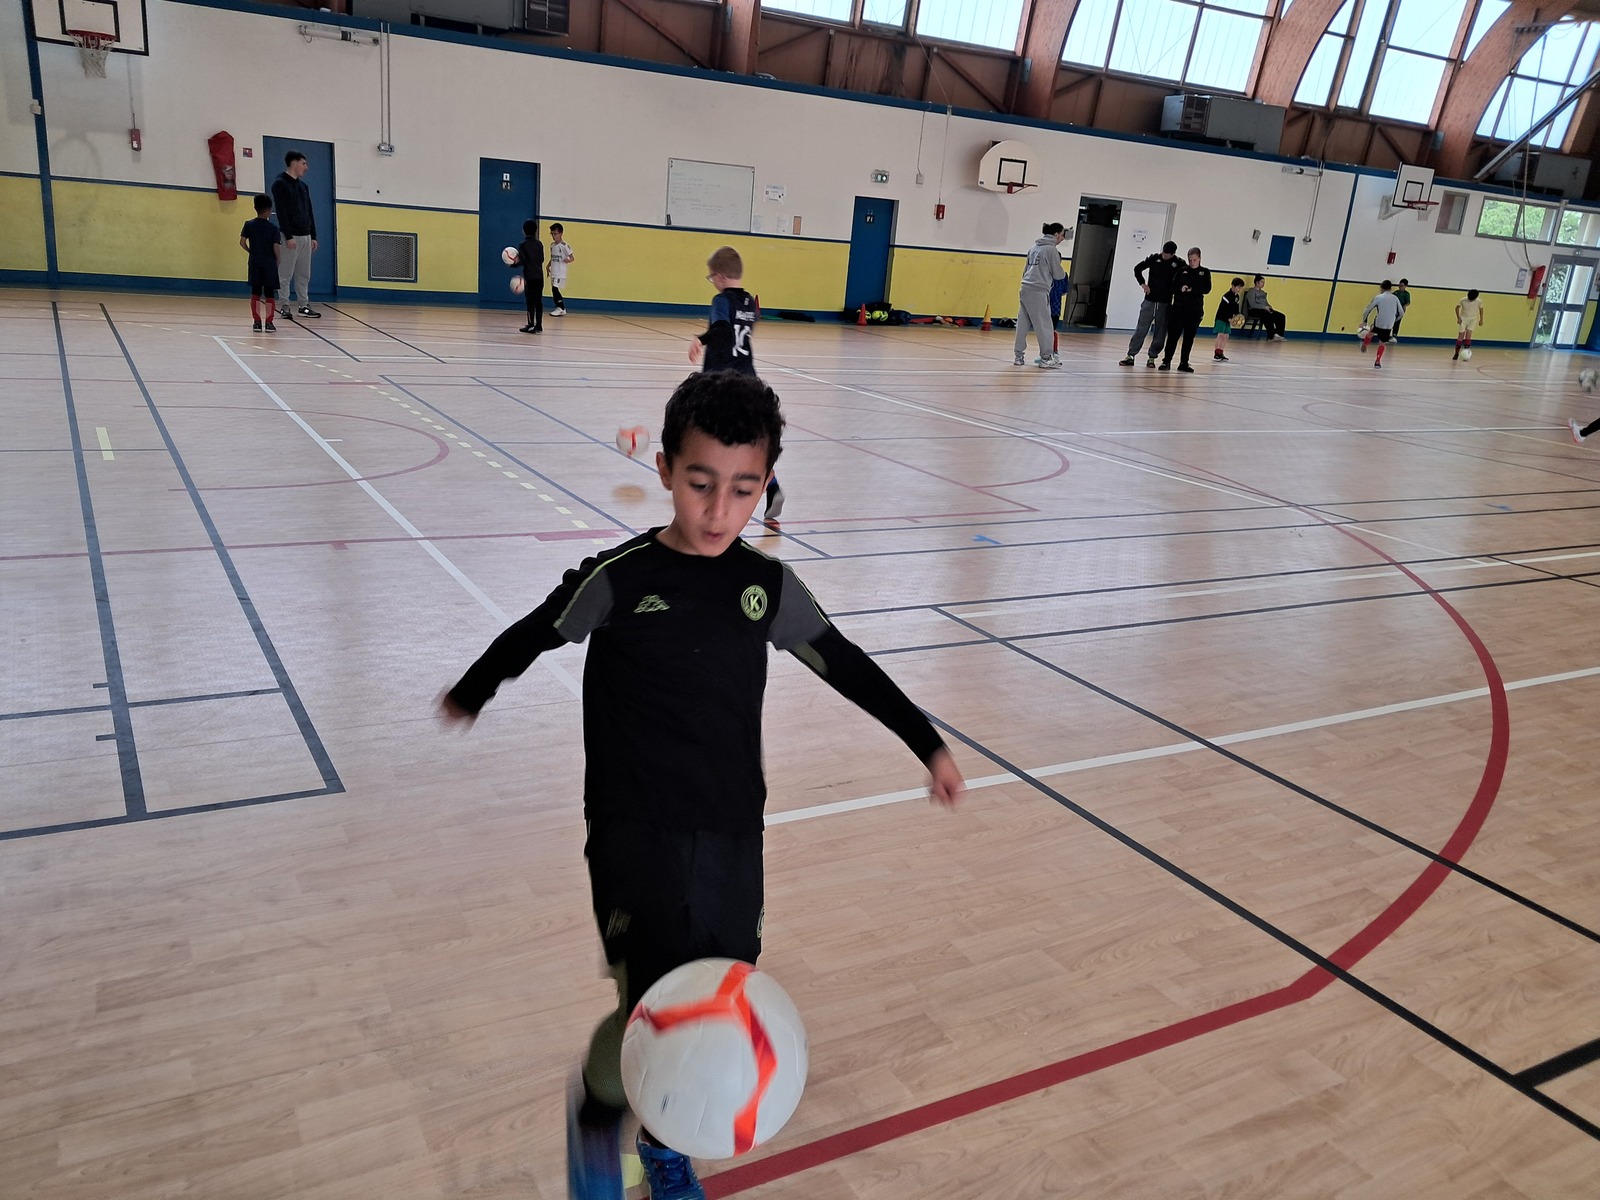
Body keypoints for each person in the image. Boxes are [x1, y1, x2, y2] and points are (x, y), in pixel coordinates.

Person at [438, 370, 965, 1200]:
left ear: (765, 485)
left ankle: (665, 1143)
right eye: (700, 484)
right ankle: (598, 1110)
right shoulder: (620, 578)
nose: (719, 511)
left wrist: (926, 743)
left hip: (730, 830)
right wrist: (473, 690)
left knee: (721, 993)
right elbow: (537, 631)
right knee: (651, 1005)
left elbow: (844, 663)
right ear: (665, 470)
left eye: (743, 490)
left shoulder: (765, 589)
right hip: (633, 829)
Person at [689, 246, 781, 521]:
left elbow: (722, 330)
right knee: (748, 438)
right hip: (748, 379)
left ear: (719, 276)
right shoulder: (749, 302)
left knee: (708, 432)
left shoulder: (721, 301)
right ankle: (772, 486)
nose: (712, 282)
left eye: (711, 278)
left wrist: (700, 339)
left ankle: (705, 484)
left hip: (721, 382)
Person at [269, 150, 319, 319]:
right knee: (285, 273)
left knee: (304, 274)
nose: (306, 167)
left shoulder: (303, 187)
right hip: (290, 236)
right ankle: (284, 305)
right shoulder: (280, 184)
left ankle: (303, 305)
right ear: (294, 163)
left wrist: (313, 236)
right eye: (304, 163)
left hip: (306, 236)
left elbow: (309, 212)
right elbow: (282, 212)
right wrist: (288, 236)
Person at [1014, 222, 1066, 368]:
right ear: (1056, 234)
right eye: (1062, 235)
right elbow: (1058, 274)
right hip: (1038, 290)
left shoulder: (1033, 248)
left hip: (1025, 288)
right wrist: (1062, 272)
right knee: (1045, 325)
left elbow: (1025, 270)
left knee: (1023, 323)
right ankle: (1046, 358)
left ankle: (1018, 356)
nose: (1063, 238)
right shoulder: (1051, 250)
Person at [1120, 240, 1179, 367]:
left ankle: (1152, 357)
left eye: (1167, 255)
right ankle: (1131, 355)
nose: (1164, 256)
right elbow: (1137, 269)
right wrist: (1143, 284)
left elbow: (1184, 277)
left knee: (1160, 332)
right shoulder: (1154, 258)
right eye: (1163, 253)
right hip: (1150, 300)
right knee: (1141, 328)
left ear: (1173, 254)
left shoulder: (1178, 263)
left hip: (1165, 303)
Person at [1159, 247, 1211, 373]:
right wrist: (1180, 288)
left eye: (1194, 260)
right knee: (1173, 337)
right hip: (1178, 309)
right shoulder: (1181, 271)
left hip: (1194, 310)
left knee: (1189, 338)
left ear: (1199, 258)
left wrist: (1193, 289)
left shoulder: (1204, 272)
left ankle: (1184, 363)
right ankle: (1166, 361)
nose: (1192, 262)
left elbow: (1207, 289)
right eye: (1190, 260)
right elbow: (1172, 287)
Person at [238, 193, 282, 333]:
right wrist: (278, 259)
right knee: (269, 294)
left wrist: (251, 251)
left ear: (255, 208)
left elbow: (242, 242)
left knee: (255, 292)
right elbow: (276, 247)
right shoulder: (273, 228)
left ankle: (256, 322)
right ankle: (269, 323)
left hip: (255, 262)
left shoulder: (249, 225)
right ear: (269, 210)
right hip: (269, 263)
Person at [1359, 280, 1403, 369]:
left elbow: (1368, 309)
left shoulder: (1379, 297)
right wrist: (1394, 320)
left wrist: (1365, 320)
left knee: (1371, 332)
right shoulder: (1395, 298)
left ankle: (1365, 345)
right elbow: (1401, 313)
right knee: (1382, 342)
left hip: (1380, 321)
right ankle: (1378, 361)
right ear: (1390, 288)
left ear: (1381, 288)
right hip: (1389, 324)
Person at [517, 220, 544, 334]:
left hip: (529, 277)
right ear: (536, 230)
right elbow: (541, 259)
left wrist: (512, 264)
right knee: (538, 301)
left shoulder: (523, 245)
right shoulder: (539, 244)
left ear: (523, 231)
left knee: (530, 302)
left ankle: (531, 324)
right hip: (539, 276)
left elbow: (522, 261)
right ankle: (539, 326)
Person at [1242, 275, 1287, 340]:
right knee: (1266, 314)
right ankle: (1272, 335)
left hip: (1264, 310)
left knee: (1281, 316)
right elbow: (1252, 304)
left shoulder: (1262, 293)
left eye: (1264, 282)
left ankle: (1279, 335)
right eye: (1262, 282)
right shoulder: (1251, 292)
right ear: (1257, 282)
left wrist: (1269, 307)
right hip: (1253, 310)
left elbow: (1265, 302)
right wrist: (1264, 307)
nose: (1263, 284)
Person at [1213, 277, 1245, 363]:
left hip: (1229, 319)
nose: (1239, 289)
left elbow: (1236, 309)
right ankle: (1216, 352)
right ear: (1233, 286)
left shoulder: (1237, 297)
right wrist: (1229, 318)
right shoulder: (1226, 296)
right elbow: (1223, 310)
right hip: (1221, 318)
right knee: (1220, 335)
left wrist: (1238, 317)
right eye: (1238, 287)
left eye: (1241, 288)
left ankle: (1221, 352)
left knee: (1226, 336)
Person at [548, 223, 575, 316]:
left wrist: (568, 260)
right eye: (552, 234)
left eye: (555, 234)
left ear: (561, 233)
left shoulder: (564, 246)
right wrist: (548, 266)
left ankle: (561, 307)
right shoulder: (552, 245)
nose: (553, 236)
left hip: (560, 272)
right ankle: (560, 308)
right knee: (553, 289)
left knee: (555, 289)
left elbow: (572, 258)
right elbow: (552, 258)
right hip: (554, 271)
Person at [1453, 289, 1484, 361]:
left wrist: (1481, 319)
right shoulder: (1463, 300)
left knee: (1468, 335)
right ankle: (1456, 353)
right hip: (1463, 319)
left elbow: (1481, 309)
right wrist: (1458, 318)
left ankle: (1466, 354)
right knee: (1461, 335)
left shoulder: (1479, 301)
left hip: (1472, 320)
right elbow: (1457, 308)